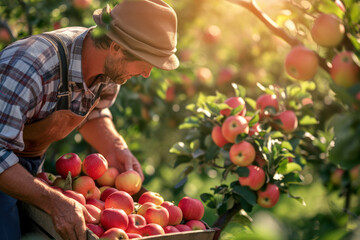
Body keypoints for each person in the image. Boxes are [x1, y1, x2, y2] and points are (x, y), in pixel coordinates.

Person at [0, 0, 179, 239]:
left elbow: (93, 112)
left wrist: (115, 146)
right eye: (146, 63)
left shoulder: (109, 69)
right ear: (116, 48)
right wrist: (54, 202)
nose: (147, 73)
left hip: (26, 171)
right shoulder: (29, 67)